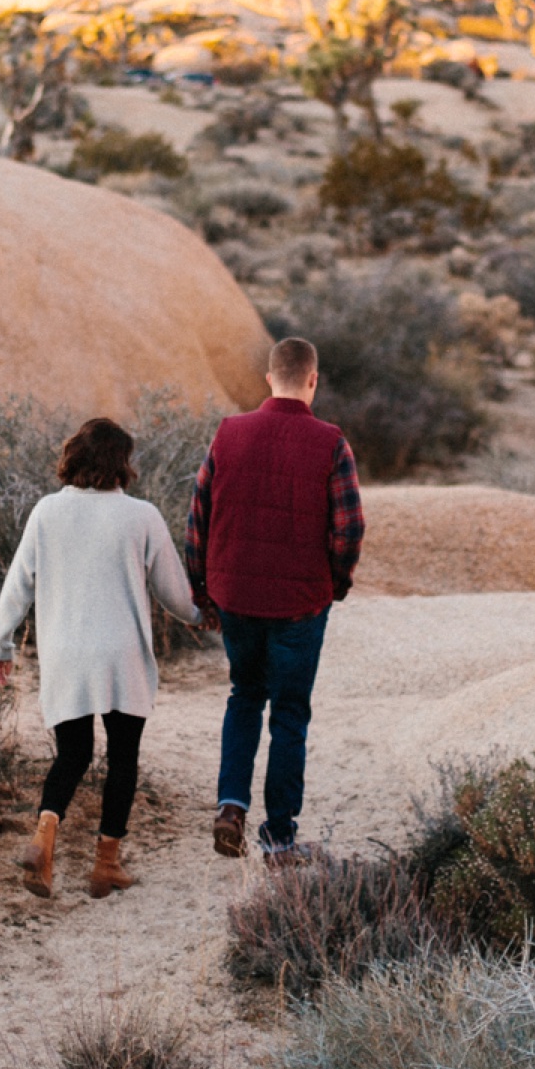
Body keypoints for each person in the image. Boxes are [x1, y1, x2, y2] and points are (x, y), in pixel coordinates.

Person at [0, 415, 200, 900]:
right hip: (121, 654)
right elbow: (173, 593)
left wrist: (2, 645)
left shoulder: (46, 512)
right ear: (122, 464)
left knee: (74, 753)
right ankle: (106, 866)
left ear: (74, 457)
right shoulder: (141, 515)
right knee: (123, 759)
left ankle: (44, 838)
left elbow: (17, 585)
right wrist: (201, 614)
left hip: (66, 654)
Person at [185, 336, 363, 858]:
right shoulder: (331, 443)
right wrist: (335, 584)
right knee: (289, 714)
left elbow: (199, 518)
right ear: (313, 380)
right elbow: (348, 528)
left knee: (244, 696)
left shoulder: (228, 434)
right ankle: (279, 835)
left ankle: (230, 808)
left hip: (236, 595)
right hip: (301, 605)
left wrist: (204, 590)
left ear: (269, 379)